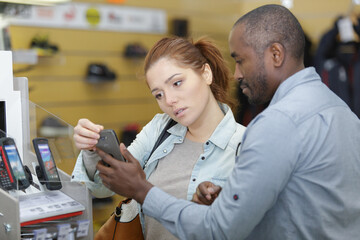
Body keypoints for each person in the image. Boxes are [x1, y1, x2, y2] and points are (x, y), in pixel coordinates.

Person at [94, 4, 360, 240]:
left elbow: (219, 230)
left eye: (241, 61)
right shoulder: (341, 111)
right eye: (159, 94)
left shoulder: (276, 123)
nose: (236, 75)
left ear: (276, 55)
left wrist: (142, 190)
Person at [71, 36, 246, 239]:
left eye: (177, 83)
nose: (170, 100)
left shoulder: (246, 145)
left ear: (206, 74)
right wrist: (92, 150)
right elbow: (103, 189)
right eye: (159, 95)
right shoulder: (159, 128)